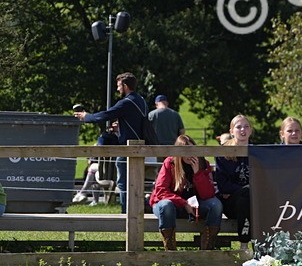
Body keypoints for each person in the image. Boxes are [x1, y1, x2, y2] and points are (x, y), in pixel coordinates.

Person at [73, 72, 149, 213]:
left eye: (119, 86)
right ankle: (135, 211)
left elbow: (104, 115)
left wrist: (86, 116)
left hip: (127, 150)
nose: (118, 89)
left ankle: (127, 213)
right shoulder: (141, 101)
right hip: (140, 147)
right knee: (135, 183)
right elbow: (136, 123)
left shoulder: (126, 102)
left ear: (125, 86)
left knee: (124, 183)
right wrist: (120, 127)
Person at [149, 134, 223, 251]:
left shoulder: (203, 164)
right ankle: (170, 248)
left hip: (195, 206)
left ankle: (207, 247)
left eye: (192, 149)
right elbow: (161, 191)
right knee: (166, 205)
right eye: (185, 151)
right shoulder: (170, 163)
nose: (190, 154)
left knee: (216, 204)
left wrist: (197, 173)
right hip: (172, 205)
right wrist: (184, 203)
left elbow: (208, 194)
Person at [215, 114, 253, 242]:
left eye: (246, 127)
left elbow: (263, 181)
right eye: (238, 127)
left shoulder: (258, 152)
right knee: (245, 196)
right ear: (231, 132)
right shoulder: (223, 153)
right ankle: (244, 243)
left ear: (251, 130)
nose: (243, 130)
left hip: (255, 200)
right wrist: (246, 189)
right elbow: (223, 186)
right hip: (232, 203)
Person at [73, 120, 119, 205]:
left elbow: (99, 149)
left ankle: (83, 193)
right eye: (115, 123)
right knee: (93, 172)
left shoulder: (106, 136)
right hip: (117, 168)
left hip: (111, 171)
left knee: (92, 168)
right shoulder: (125, 136)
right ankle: (93, 200)